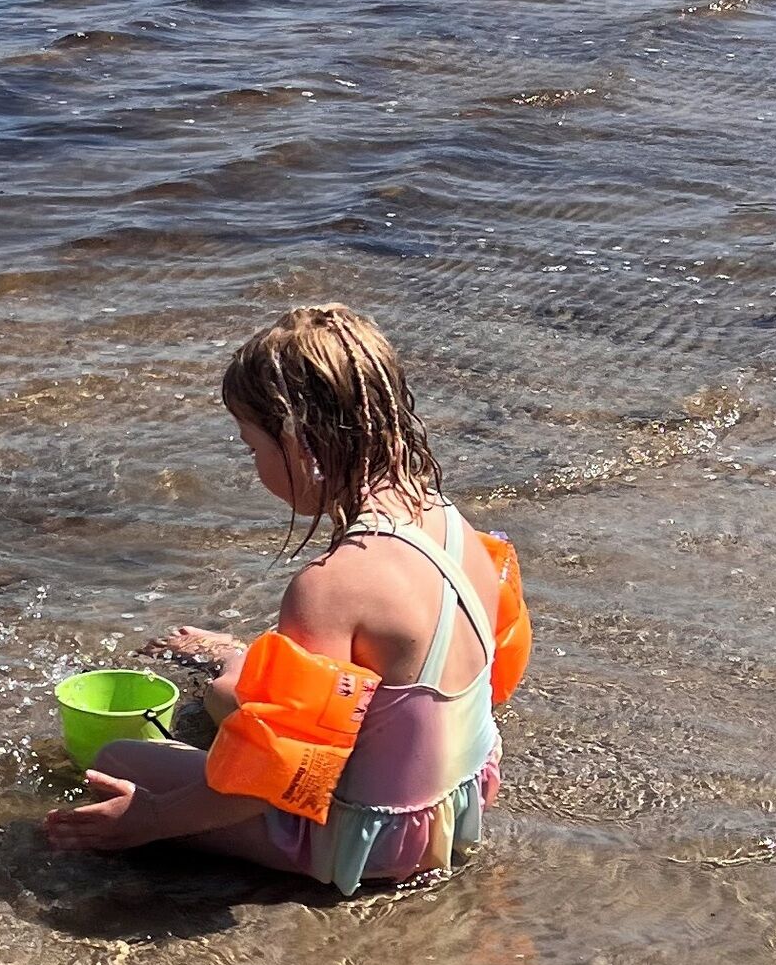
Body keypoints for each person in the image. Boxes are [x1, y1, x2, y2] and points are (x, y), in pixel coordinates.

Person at [44, 302, 504, 893]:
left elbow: (281, 776)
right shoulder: (449, 524)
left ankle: (239, 677)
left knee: (117, 762)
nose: (254, 463)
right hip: (455, 804)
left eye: (251, 445)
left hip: (368, 842)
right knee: (228, 690)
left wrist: (149, 821)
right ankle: (242, 660)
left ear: (295, 440)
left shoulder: (331, 584)